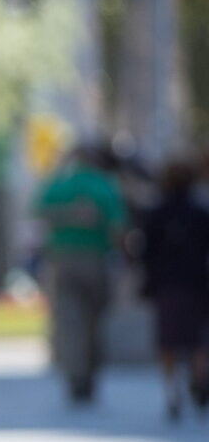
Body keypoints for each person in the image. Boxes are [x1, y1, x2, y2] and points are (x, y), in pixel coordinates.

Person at [34, 145, 129, 404]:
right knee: (94, 320)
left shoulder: (58, 185)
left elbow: (37, 212)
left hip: (62, 259)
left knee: (69, 322)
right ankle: (89, 374)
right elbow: (118, 228)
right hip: (95, 259)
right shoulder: (104, 186)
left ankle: (75, 375)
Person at [137, 155, 209, 420]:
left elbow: (145, 253)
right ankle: (198, 377)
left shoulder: (155, 214)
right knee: (198, 338)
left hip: (166, 285)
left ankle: (172, 389)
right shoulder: (201, 213)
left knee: (168, 340)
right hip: (196, 283)